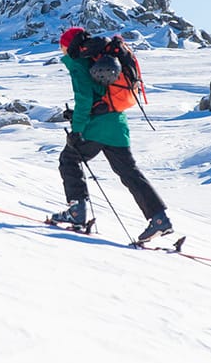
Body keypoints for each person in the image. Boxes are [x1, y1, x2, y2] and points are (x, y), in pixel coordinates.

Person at [49, 27, 174, 243]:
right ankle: (159, 218)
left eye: (62, 45)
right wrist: (76, 115)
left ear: (68, 46)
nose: (61, 50)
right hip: (117, 124)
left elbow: (85, 98)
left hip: (97, 128)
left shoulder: (78, 63)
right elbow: (100, 94)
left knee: (69, 159)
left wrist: (77, 130)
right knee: (129, 173)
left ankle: (76, 212)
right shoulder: (97, 57)